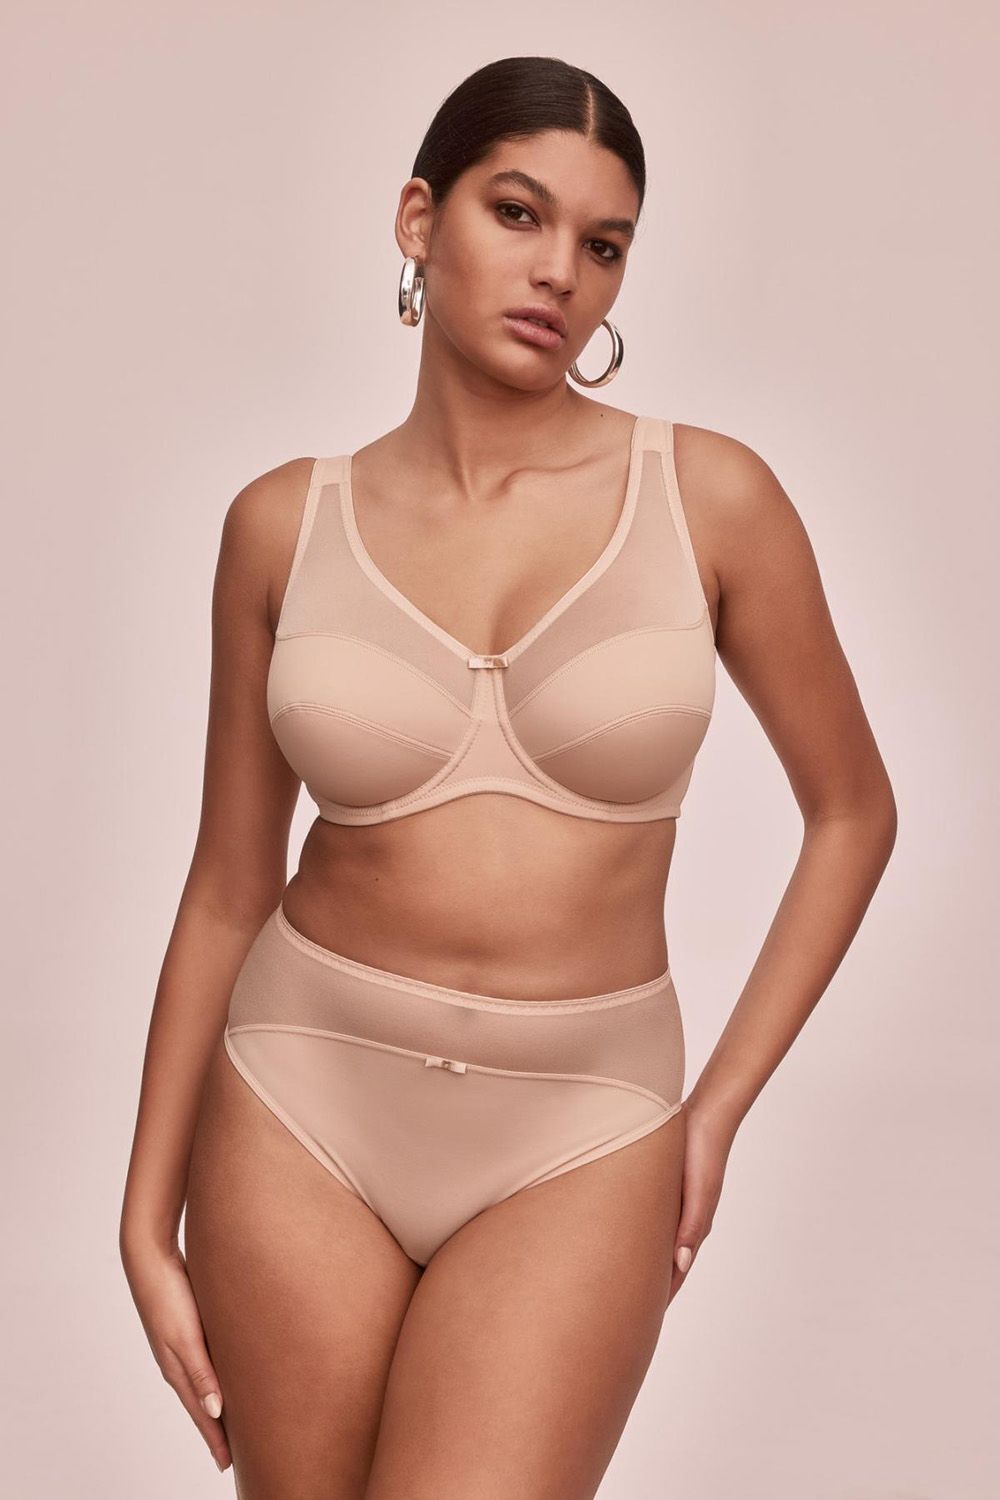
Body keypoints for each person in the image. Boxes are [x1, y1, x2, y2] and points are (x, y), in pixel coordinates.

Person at [119, 54, 897, 1499]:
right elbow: (229, 884)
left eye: (604, 245)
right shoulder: (282, 525)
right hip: (299, 1099)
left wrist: (714, 1110)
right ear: (421, 220)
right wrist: (139, 1213)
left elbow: (854, 812)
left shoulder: (711, 499)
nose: (560, 274)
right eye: (519, 213)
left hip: (582, 1125)